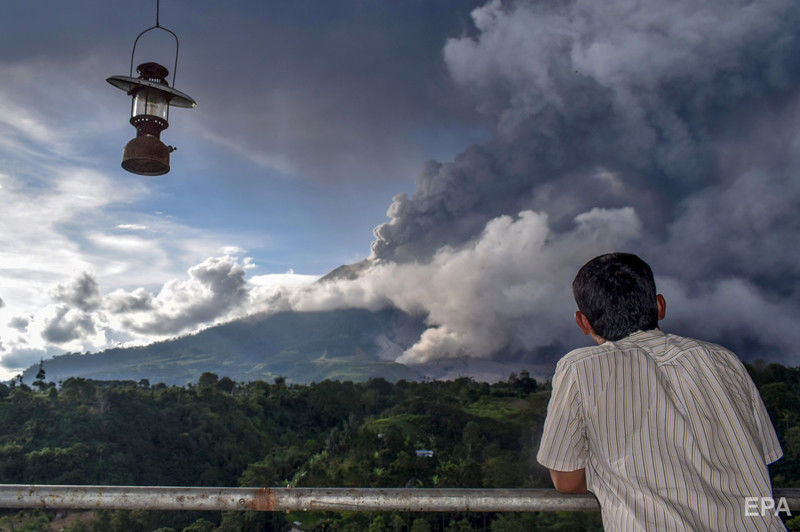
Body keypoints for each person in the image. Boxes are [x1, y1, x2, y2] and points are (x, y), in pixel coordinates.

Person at [536, 252, 785, 531]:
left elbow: (566, 480)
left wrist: (604, 473)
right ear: (660, 306)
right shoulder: (723, 359)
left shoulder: (580, 368)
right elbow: (761, 455)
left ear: (583, 322)